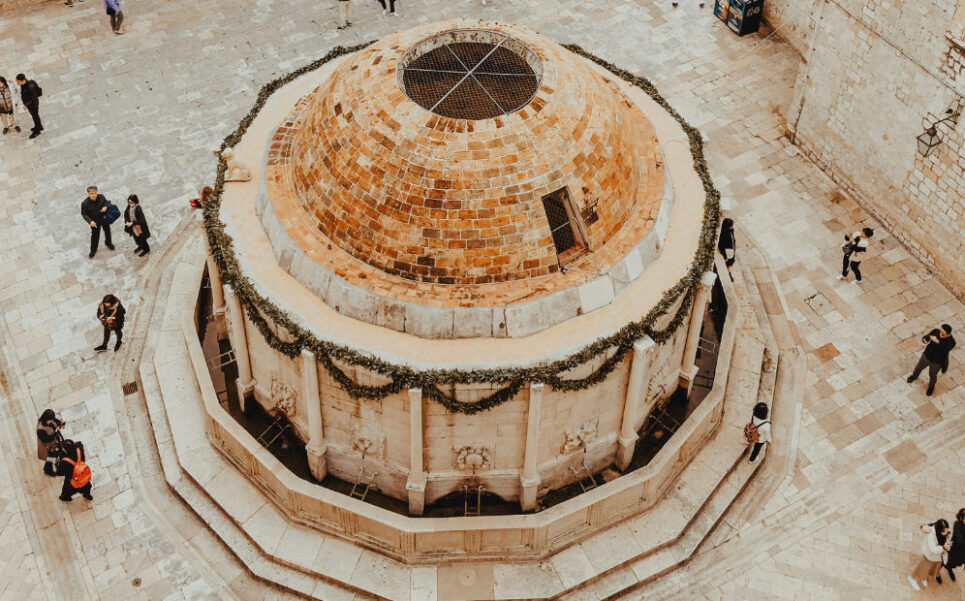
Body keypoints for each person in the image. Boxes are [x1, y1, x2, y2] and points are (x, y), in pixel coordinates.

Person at [907, 324, 956, 396]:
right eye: (940, 331)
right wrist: (925, 339)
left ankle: (931, 387)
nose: (940, 334)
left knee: (932, 375)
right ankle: (914, 376)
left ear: (948, 334)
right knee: (918, 367)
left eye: (942, 333)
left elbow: (944, 350)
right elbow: (926, 337)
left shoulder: (951, 342)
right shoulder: (936, 331)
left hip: (936, 362)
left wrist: (937, 341)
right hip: (926, 356)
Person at [908, 519, 951, 590]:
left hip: (936, 556)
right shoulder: (931, 536)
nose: (946, 533)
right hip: (929, 555)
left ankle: (923, 578)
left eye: (947, 531)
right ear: (939, 530)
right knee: (923, 568)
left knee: (930, 569)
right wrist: (943, 547)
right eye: (944, 531)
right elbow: (933, 549)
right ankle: (912, 578)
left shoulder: (942, 532)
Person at [81, 186, 115, 258]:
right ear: (88, 194)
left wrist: (106, 206)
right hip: (95, 221)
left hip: (104, 218)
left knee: (107, 231)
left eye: (95, 193)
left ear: (97, 192)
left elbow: (107, 203)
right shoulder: (85, 203)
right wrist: (90, 222)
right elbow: (84, 214)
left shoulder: (101, 197)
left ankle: (108, 243)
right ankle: (93, 250)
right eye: (91, 193)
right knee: (95, 236)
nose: (93, 195)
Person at [36, 409, 64, 477]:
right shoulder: (40, 429)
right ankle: (47, 470)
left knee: (56, 454)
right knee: (50, 457)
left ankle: (55, 462)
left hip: (54, 442)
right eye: (50, 420)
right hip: (48, 446)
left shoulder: (50, 420)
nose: (52, 421)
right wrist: (55, 434)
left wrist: (60, 424)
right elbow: (45, 440)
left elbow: (56, 421)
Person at [15, 74, 42, 139]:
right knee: (34, 116)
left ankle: (37, 131)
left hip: (33, 104)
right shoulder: (23, 84)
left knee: (35, 116)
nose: (16, 82)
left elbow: (33, 98)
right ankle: (39, 127)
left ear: (21, 81)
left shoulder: (30, 86)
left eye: (17, 81)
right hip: (29, 104)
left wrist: (26, 105)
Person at [944, 509, 965, 582]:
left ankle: (949, 568)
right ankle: (948, 568)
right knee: (950, 562)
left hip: (962, 552)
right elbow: (960, 541)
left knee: (957, 563)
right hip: (955, 549)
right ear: (961, 518)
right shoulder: (957, 524)